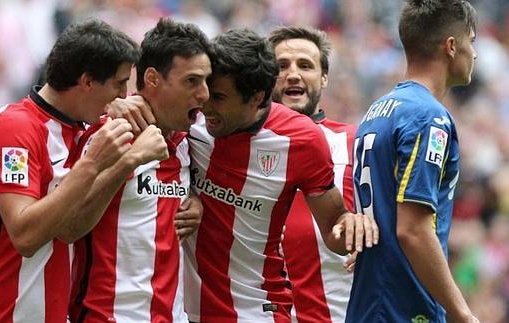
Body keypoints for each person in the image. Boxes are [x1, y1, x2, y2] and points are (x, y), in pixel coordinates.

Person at [108, 28, 377, 323]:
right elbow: (151, 106)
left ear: (257, 99)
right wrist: (119, 103)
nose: (205, 104)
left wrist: (351, 227)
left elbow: (333, 228)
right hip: (184, 312)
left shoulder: (303, 140)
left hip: (258, 311)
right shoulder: (189, 118)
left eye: (219, 97)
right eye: (206, 90)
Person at [0, 19, 170, 322]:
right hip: (2, 315)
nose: (124, 95)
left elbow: (69, 230)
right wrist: (93, 163)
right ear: (87, 81)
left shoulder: (81, 129)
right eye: (119, 83)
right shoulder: (13, 131)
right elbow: (25, 237)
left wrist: (126, 163)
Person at [68, 18, 210, 323]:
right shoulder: (108, 134)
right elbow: (70, 223)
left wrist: (197, 200)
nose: (204, 94)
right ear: (153, 79)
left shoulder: (187, 142)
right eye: (191, 81)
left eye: (206, 81)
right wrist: (128, 161)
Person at [348, 0, 479, 322]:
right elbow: (412, 229)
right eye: (471, 42)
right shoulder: (428, 117)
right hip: (403, 303)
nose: (474, 54)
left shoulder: (379, 109)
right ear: (451, 46)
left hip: (370, 299)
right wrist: (462, 313)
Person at [268, 26, 358, 323]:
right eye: (282, 66)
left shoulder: (356, 144)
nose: (293, 74)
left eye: (305, 65)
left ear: (323, 78)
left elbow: (396, 225)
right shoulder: (234, 145)